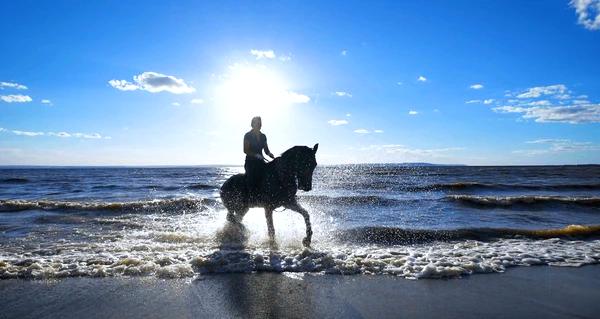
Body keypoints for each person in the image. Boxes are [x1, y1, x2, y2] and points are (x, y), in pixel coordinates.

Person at [244, 116, 275, 195]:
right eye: (256, 123)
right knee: (252, 179)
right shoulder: (248, 135)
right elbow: (246, 150)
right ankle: (251, 196)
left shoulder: (263, 136)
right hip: (250, 163)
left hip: (261, 162)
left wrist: (270, 154)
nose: (258, 125)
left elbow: (266, 150)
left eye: (259, 123)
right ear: (252, 124)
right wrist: (256, 155)